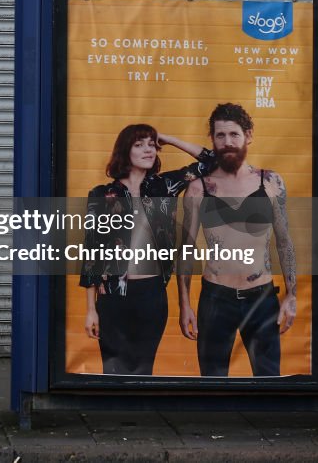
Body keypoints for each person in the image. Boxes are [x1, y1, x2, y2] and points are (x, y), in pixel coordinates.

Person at [81, 125, 215, 375]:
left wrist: (167, 137)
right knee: (113, 370)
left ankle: (137, 414)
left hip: (151, 294)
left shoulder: (165, 186)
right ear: (124, 150)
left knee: (143, 370)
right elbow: (91, 253)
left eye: (151, 144)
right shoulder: (102, 194)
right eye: (139, 144)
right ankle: (118, 414)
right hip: (112, 297)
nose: (148, 149)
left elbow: (213, 161)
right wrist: (91, 310)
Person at [177, 102, 295, 377]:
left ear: (248, 135)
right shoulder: (199, 188)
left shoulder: (270, 182)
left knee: (268, 380)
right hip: (216, 297)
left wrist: (291, 295)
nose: (227, 142)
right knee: (213, 381)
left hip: (262, 296)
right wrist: (184, 305)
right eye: (220, 135)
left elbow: (284, 241)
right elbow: (186, 250)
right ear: (213, 140)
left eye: (234, 134)